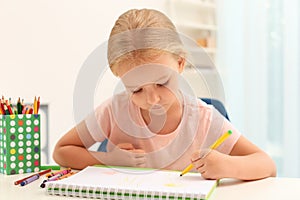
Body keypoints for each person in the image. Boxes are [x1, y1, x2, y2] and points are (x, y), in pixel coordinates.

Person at [53, 8, 276, 180]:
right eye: (136, 90)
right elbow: (62, 151)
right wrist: (109, 159)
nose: (152, 100)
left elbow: (267, 165)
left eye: (162, 83)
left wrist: (227, 166)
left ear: (180, 63)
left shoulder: (204, 118)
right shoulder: (115, 110)